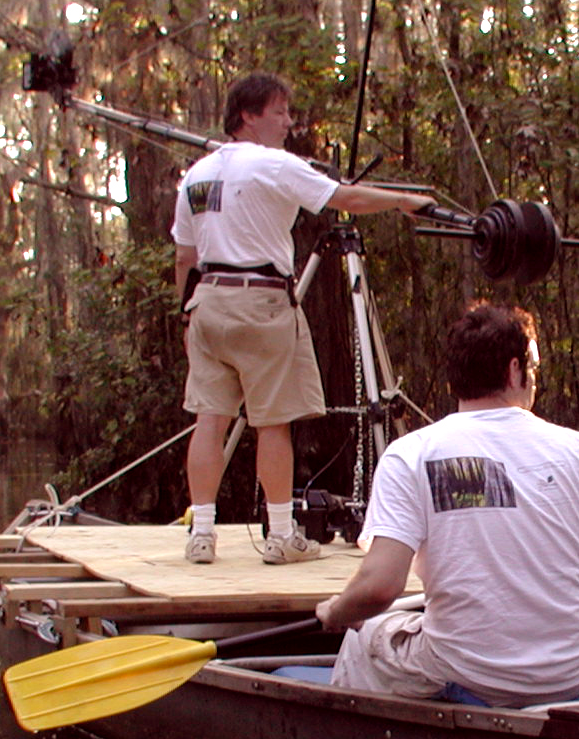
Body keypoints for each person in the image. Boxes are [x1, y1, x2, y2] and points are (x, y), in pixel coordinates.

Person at [316, 304, 579, 706]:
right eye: (533, 368)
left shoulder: (412, 454)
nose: (534, 379)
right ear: (515, 369)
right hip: (566, 676)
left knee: (363, 634)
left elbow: (378, 588)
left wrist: (335, 612)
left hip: (468, 673)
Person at [172, 72, 433, 564]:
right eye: (279, 112)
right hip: (262, 302)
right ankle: (281, 535)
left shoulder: (197, 174)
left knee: (210, 420)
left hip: (206, 302)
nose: (289, 123)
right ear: (248, 115)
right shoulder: (273, 165)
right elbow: (346, 198)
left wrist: (186, 315)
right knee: (274, 422)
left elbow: (185, 255)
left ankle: (201, 534)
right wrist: (401, 201)